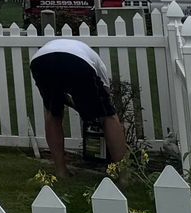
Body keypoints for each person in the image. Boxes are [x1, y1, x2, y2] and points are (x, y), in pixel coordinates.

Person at [29, 35, 126, 175]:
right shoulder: (98, 63)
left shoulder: (66, 47)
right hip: (77, 61)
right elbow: (105, 95)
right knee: (109, 116)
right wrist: (94, 112)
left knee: (52, 113)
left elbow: (64, 97)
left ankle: (61, 171)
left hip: (40, 60)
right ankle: (123, 174)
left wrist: (80, 106)